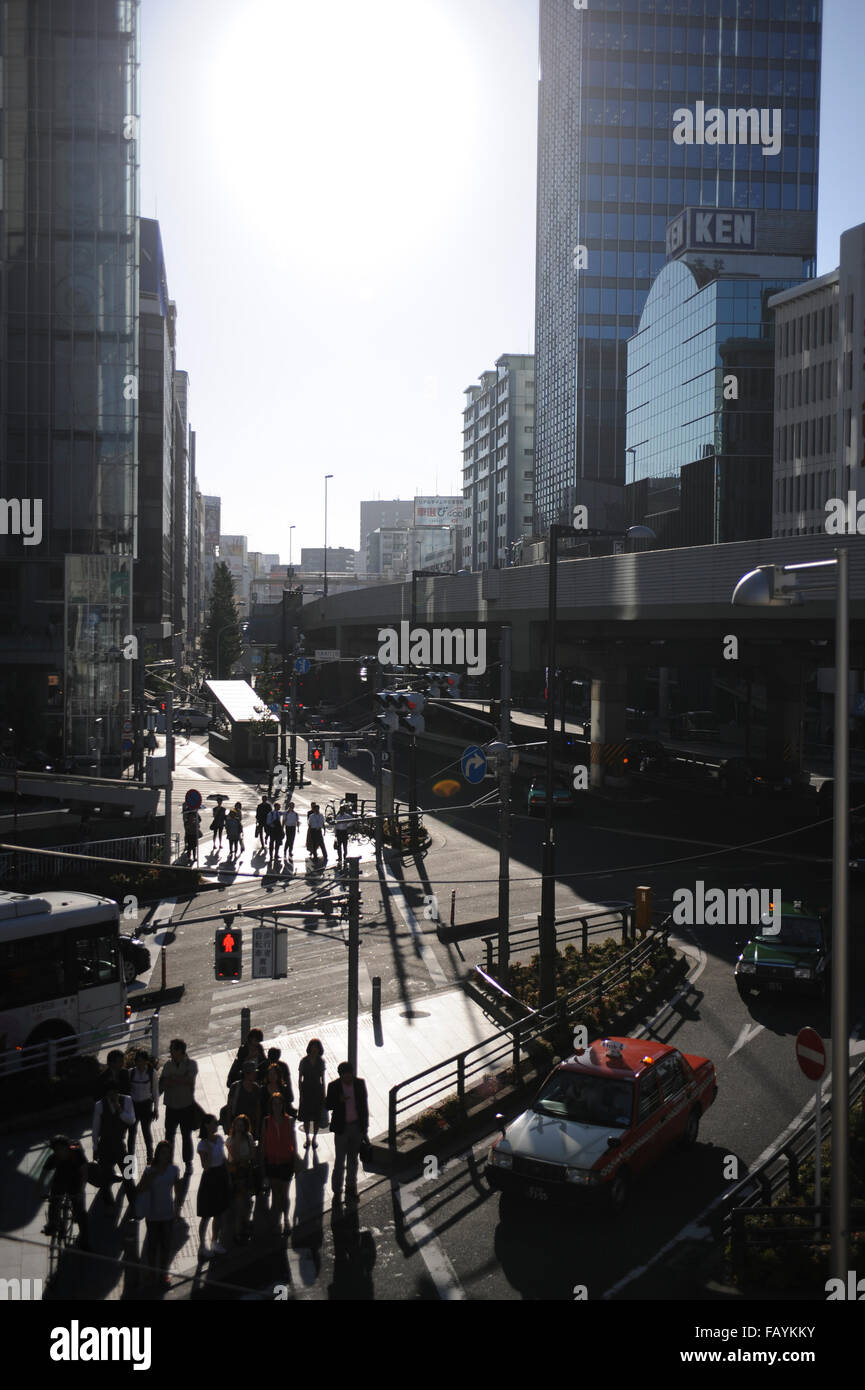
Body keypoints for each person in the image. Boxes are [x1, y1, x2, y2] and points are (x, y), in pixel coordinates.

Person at [135, 1140, 180, 1286]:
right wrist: (151, 1178)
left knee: (166, 1245)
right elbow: (140, 1189)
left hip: (167, 1213)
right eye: (162, 1153)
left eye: (168, 1153)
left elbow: (177, 1190)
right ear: (157, 1154)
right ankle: (151, 1272)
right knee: (152, 1245)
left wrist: (177, 1209)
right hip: (152, 1214)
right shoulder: (149, 1171)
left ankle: (163, 1273)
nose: (165, 1156)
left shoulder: (174, 1170)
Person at [326, 1061, 369, 1205]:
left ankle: (350, 1186)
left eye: (349, 1074)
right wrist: (339, 1100)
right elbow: (327, 1105)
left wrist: (365, 1128)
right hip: (341, 1128)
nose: (348, 1078)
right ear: (340, 1075)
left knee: (353, 1159)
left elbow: (364, 1107)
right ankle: (337, 1188)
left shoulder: (359, 1084)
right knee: (339, 1160)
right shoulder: (334, 1086)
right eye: (345, 1075)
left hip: (356, 1127)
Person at [42, 1134, 89, 1249]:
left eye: (61, 1149)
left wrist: (81, 1189)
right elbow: (42, 1176)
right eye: (56, 1150)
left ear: (67, 1147)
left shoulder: (77, 1153)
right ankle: (53, 1223)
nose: (59, 1152)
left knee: (81, 1213)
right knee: (54, 1201)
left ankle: (85, 1240)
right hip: (61, 1179)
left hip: (76, 1180)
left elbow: (84, 1171)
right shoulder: (53, 1158)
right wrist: (40, 1192)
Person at [159, 1038, 199, 1173]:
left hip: (186, 1106)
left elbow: (189, 1080)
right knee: (169, 1136)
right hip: (171, 1107)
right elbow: (164, 1083)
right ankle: (167, 1162)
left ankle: (188, 1162)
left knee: (186, 1135)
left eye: (172, 1049)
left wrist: (173, 1079)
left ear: (180, 1051)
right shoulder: (167, 1065)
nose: (170, 1052)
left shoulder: (191, 1064)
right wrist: (180, 1079)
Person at [92, 1085, 136, 1206]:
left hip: (120, 1145)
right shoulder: (99, 1105)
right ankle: (109, 1205)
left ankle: (134, 1203)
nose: (112, 1097)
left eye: (114, 1093)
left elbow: (131, 1120)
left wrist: (119, 1109)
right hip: (105, 1145)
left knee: (128, 1175)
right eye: (109, 1094)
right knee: (104, 1178)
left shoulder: (126, 1100)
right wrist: (95, 1148)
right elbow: (95, 1128)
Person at [261, 1092, 296, 1236]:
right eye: (274, 1104)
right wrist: (262, 1164)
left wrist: (294, 1160)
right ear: (271, 1106)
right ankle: (277, 1220)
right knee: (276, 1194)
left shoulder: (289, 1121)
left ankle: (286, 1219)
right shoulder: (266, 1121)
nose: (276, 1106)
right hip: (272, 1162)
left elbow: (293, 1142)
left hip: (286, 1161)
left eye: (279, 1103)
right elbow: (263, 1143)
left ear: (283, 1105)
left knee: (285, 1193)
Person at [196, 1114, 231, 1258]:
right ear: (207, 1125)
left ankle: (214, 1241)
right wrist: (209, 1151)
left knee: (219, 1212)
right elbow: (206, 1166)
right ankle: (202, 1245)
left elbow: (223, 1159)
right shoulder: (202, 1145)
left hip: (221, 1174)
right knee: (206, 1214)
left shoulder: (219, 1139)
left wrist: (228, 1176)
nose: (217, 1125)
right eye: (214, 1123)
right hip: (210, 1178)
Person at [226, 1114, 258, 1244]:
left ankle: (246, 1224)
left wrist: (245, 1159)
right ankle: (238, 1232)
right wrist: (238, 1140)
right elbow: (235, 1157)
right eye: (237, 1124)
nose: (239, 1127)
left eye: (241, 1124)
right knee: (239, 1203)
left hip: (247, 1172)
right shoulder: (230, 1140)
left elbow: (253, 1154)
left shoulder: (249, 1137)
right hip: (236, 1174)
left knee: (248, 1200)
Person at [128, 1049, 159, 1164]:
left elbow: (155, 1091)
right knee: (131, 1134)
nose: (140, 1064)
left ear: (146, 1061)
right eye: (138, 1061)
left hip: (146, 1106)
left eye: (142, 1061)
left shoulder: (152, 1073)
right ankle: (129, 1161)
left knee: (146, 1132)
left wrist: (156, 1108)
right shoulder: (130, 1073)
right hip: (134, 1106)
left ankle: (150, 1158)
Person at [297, 1039, 326, 1148]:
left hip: (317, 1090)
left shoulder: (321, 1061)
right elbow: (300, 1078)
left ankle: (314, 1138)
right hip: (306, 1090)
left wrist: (324, 1094)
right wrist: (301, 1093)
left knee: (317, 1117)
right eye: (313, 1047)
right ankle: (307, 1138)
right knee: (306, 1117)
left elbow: (323, 1079)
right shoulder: (304, 1061)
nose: (314, 1049)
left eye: (316, 1047)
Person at [224, 1061, 264, 1138]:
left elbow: (258, 1109)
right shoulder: (235, 1087)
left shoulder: (256, 1088)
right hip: (238, 1125)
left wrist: (258, 1127)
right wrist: (229, 1126)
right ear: (246, 1074)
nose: (255, 1074)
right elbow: (229, 1107)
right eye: (253, 1072)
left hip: (251, 1125)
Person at [334, 801, 355, 871]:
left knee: (345, 846)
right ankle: (339, 857)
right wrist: (335, 833)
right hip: (339, 832)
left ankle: (345, 856)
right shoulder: (338, 816)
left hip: (344, 832)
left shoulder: (347, 816)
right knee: (338, 846)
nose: (341, 811)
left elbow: (352, 821)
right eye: (340, 810)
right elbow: (336, 825)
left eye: (342, 810)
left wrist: (347, 826)